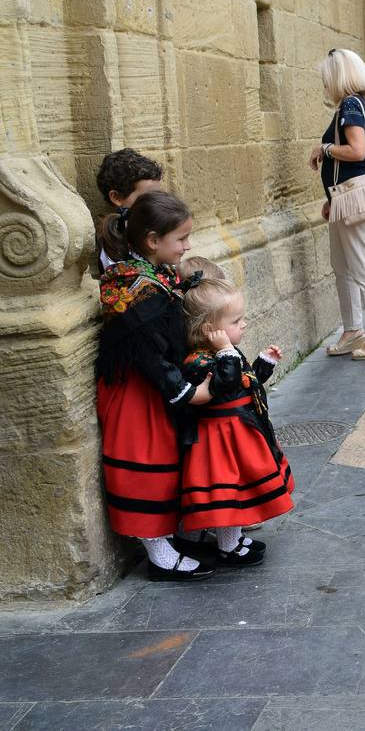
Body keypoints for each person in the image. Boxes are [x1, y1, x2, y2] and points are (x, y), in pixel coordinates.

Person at [96, 191, 216, 582]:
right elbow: (150, 355)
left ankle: (179, 533)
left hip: (151, 388)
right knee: (147, 468)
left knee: (169, 461)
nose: (187, 245)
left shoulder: (153, 276)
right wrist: (185, 392)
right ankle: (160, 552)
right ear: (152, 241)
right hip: (138, 393)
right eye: (180, 239)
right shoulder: (136, 289)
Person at [177, 278, 294, 567]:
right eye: (236, 320)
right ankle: (228, 545)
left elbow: (245, 384)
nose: (244, 324)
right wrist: (227, 351)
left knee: (241, 489)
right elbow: (225, 384)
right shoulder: (198, 361)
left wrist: (263, 364)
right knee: (231, 492)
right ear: (210, 331)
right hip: (221, 441)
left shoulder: (223, 354)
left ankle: (233, 540)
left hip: (240, 433)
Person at [309, 48, 365, 360]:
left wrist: (326, 148)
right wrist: (331, 199)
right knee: (343, 266)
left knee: (360, 266)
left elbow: (357, 152)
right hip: (343, 197)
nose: (325, 85)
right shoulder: (351, 105)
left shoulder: (350, 105)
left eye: (327, 78)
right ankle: (354, 330)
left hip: (351, 196)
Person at [94, 148, 163, 273]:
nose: (156, 202)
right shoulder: (115, 237)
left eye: (158, 196)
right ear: (116, 197)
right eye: (146, 197)